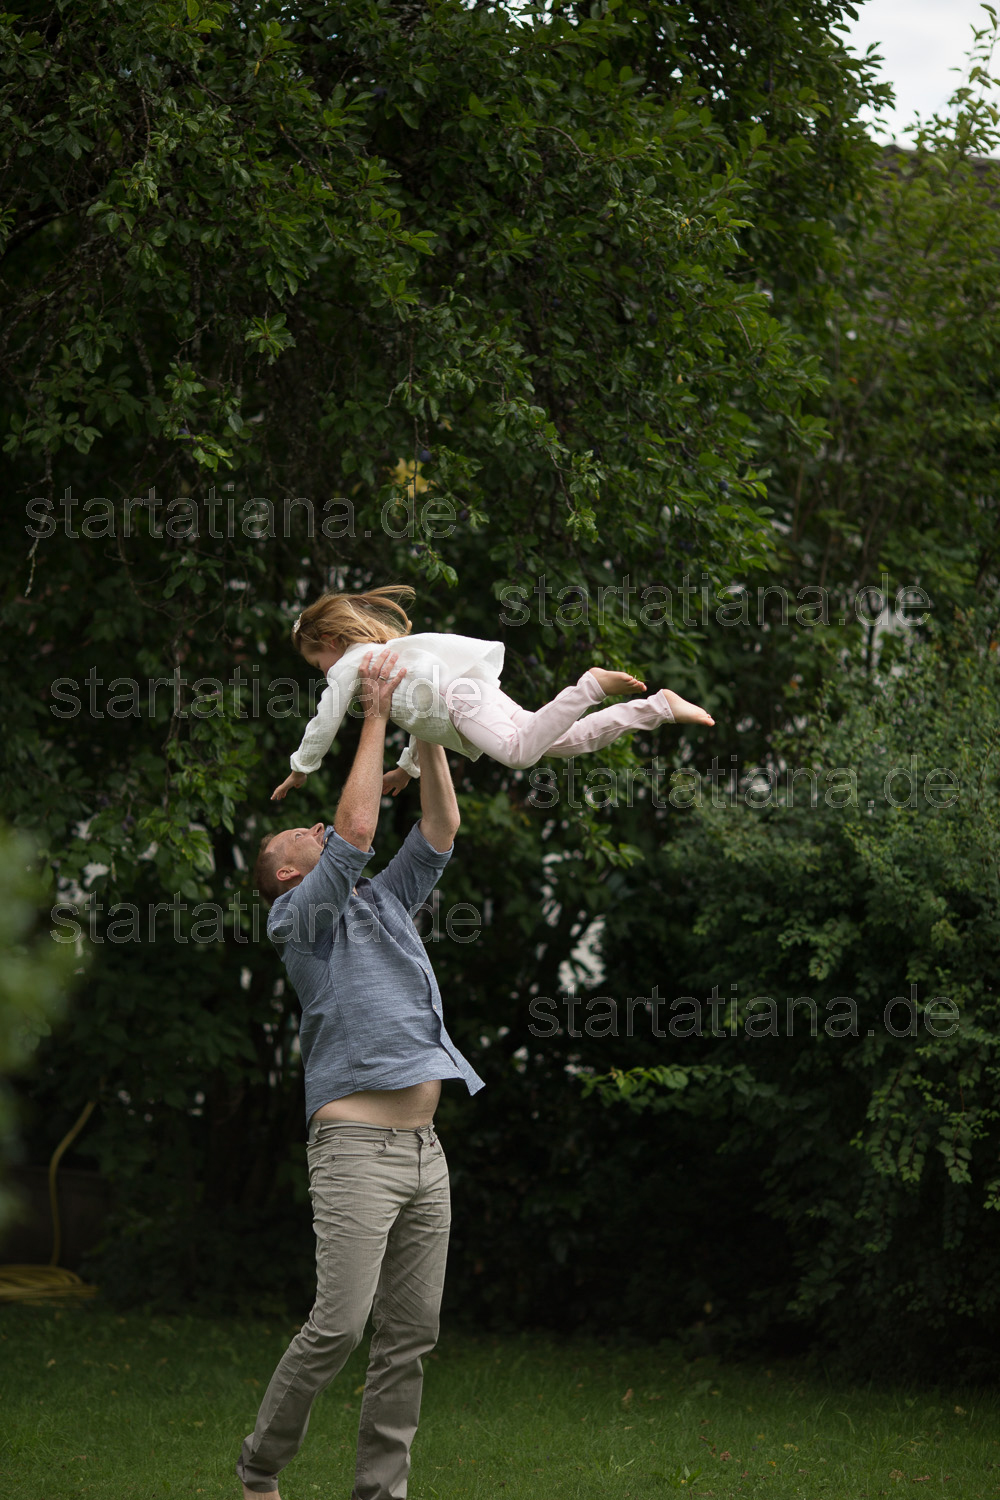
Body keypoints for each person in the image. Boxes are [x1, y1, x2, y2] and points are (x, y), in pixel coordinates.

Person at [240, 646, 485, 1500]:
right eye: (299, 836)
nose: (316, 829)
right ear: (286, 873)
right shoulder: (297, 921)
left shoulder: (381, 901)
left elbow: (440, 832)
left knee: (410, 1337)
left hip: (425, 1153)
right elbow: (350, 836)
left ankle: (381, 1493)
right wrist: (376, 710)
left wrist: (430, 732)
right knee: (338, 1328)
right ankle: (260, 1467)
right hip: (355, 1153)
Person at [271, 584, 714, 801]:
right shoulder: (385, 657)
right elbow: (421, 714)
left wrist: (301, 768)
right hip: (472, 695)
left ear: (329, 642)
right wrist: (407, 769)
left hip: (463, 701)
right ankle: (658, 708)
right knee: (564, 742)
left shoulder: (350, 665)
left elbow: (325, 719)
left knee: (519, 754)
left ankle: (591, 685)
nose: (322, 671)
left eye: (316, 662)